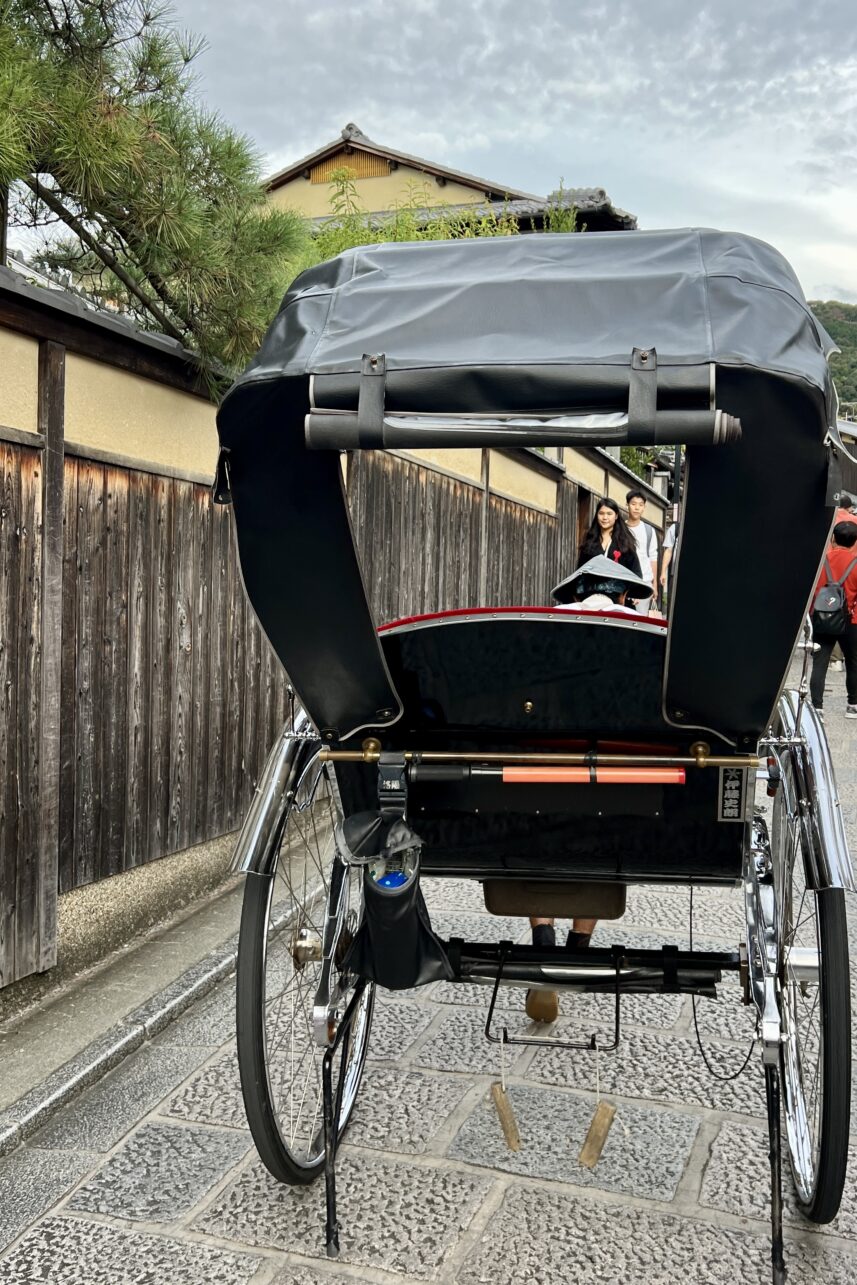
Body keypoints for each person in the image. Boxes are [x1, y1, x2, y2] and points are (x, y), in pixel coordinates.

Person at [524, 556, 655, 1024]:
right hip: (620, 773)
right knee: (606, 833)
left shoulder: (543, 634)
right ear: (626, 597)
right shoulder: (646, 632)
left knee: (530, 833)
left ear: (572, 596)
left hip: (547, 768)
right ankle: (578, 950)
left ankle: (543, 940)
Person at [810, 521, 857, 720]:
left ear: (833, 538)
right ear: (854, 541)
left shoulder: (822, 560)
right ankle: (853, 705)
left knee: (819, 663)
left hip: (822, 616)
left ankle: (817, 708)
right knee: (854, 662)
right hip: (851, 619)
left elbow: (812, 591)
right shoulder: (856, 562)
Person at [578, 497, 642, 578]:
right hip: (592, 589)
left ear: (616, 516)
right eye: (601, 513)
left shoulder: (625, 541)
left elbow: (636, 574)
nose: (605, 518)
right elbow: (580, 571)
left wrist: (626, 591)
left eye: (609, 514)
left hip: (619, 590)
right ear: (596, 515)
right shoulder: (589, 539)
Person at [624, 489, 659, 615]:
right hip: (624, 581)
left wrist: (654, 585)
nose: (637, 508)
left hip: (644, 582)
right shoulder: (621, 529)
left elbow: (653, 557)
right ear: (627, 505)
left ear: (644, 507)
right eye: (633, 504)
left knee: (640, 619)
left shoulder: (649, 530)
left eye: (640, 505)